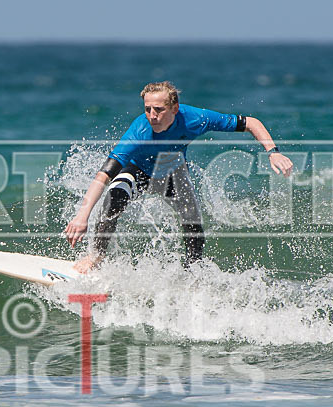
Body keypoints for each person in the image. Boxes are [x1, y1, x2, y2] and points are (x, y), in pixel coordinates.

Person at [64, 81, 293, 273]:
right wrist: (82, 217)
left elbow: (250, 123)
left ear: (174, 108)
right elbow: (103, 175)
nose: (152, 116)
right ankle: (96, 257)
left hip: (171, 171)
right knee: (114, 196)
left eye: (159, 110)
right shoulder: (139, 132)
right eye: (147, 109)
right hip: (139, 170)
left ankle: (192, 273)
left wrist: (272, 152)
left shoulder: (196, 119)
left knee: (192, 222)